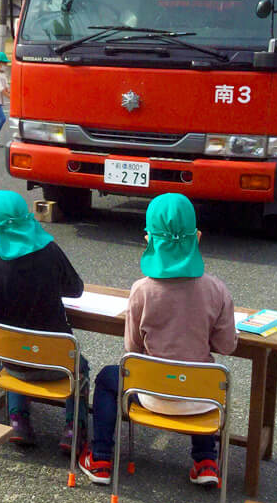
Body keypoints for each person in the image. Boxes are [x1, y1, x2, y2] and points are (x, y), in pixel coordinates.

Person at [78, 193, 237, 488]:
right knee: (199, 372)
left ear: (148, 239)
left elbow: (132, 349)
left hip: (151, 394)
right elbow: (227, 346)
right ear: (197, 237)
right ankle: (205, 459)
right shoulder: (217, 290)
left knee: (108, 378)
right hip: (202, 400)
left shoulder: (142, 290)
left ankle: (100, 457)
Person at [0, 190, 89, 449]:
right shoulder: (50, 252)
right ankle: (74, 427)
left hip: (13, 363)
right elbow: (75, 288)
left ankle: (18, 421)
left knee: (17, 344)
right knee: (80, 366)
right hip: (57, 365)